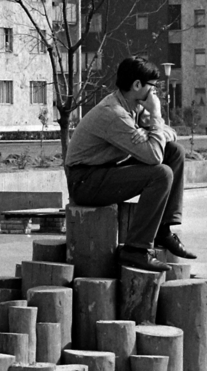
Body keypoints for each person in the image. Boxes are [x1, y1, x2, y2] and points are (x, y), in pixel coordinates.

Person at [63, 56, 195, 268]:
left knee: (175, 152)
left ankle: (163, 230)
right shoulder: (114, 113)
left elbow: (170, 135)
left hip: (103, 171)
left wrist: (149, 129)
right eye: (152, 87)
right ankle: (135, 249)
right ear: (137, 85)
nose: (155, 93)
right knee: (161, 173)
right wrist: (155, 114)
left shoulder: (132, 106)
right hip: (84, 181)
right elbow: (153, 157)